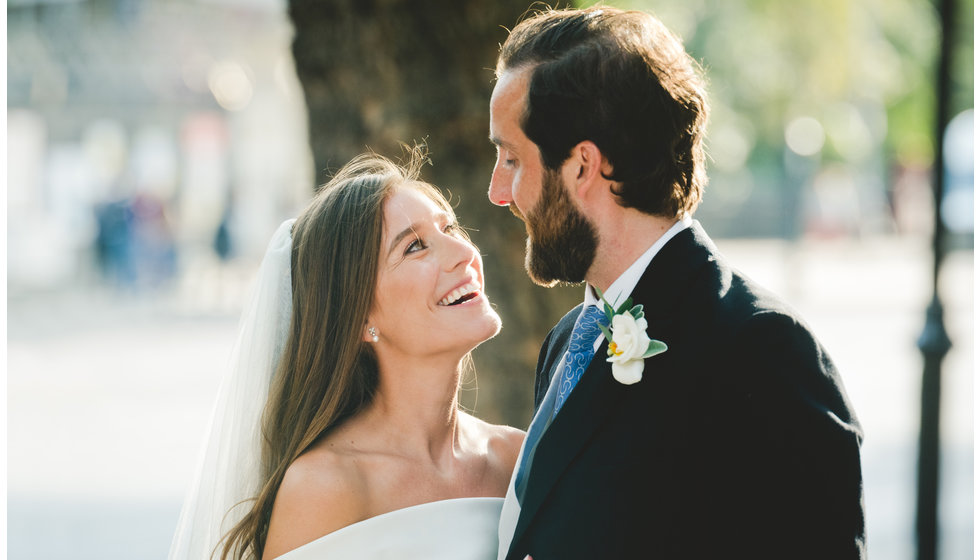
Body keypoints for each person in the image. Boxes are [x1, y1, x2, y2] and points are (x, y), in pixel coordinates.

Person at [488, 6, 866, 559]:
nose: (499, 192)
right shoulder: (568, 340)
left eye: (511, 159)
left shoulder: (763, 352)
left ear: (583, 166)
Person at [170, 152, 524, 560]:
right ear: (359, 318)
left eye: (450, 228)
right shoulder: (325, 487)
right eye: (415, 247)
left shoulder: (515, 458)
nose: (464, 254)